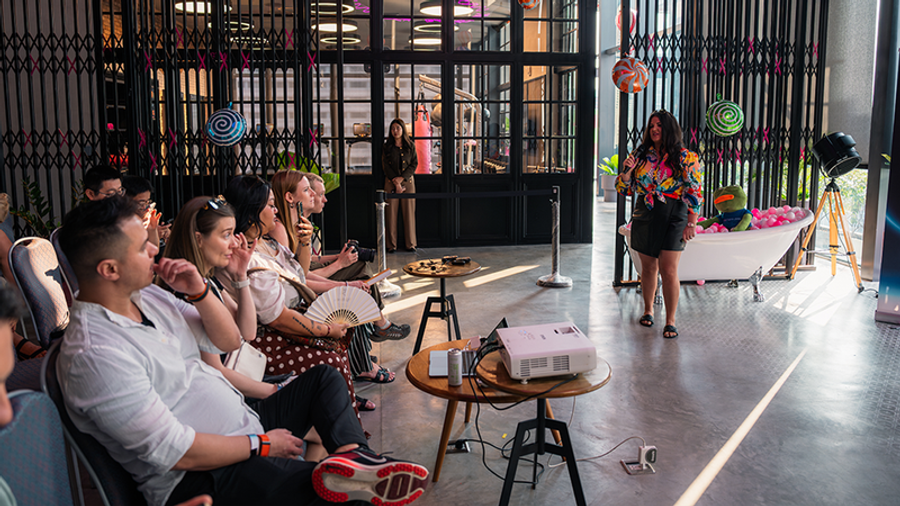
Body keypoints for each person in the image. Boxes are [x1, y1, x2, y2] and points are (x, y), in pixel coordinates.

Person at [55, 196, 429, 506]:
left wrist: (199, 291)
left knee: (324, 380)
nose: (156, 247)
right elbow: (177, 452)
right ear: (109, 269)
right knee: (329, 491)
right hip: (205, 476)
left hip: (244, 426)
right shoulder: (95, 354)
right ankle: (349, 481)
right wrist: (262, 445)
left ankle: (354, 459)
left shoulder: (149, 297)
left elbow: (231, 340)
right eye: (142, 247)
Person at [616, 110, 703, 339]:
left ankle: (671, 320)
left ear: (669, 128)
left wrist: (691, 223)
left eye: (660, 125)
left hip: (675, 215)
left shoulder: (685, 157)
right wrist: (626, 174)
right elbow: (625, 189)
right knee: (648, 268)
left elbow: (694, 189)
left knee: (669, 269)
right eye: (651, 125)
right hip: (646, 212)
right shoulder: (640, 155)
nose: (654, 129)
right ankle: (648, 310)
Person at [382, 118, 418, 253]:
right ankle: (391, 245)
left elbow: (414, 163)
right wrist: (395, 181)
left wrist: (402, 179)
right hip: (390, 183)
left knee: (409, 213)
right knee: (390, 214)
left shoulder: (410, 145)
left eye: (397, 128)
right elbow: (385, 165)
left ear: (403, 129)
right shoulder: (387, 147)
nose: (395, 131)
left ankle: (411, 244)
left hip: (408, 182)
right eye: (393, 129)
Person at [122, 175, 171, 250]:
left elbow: (153, 250)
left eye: (147, 202)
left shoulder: (145, 217)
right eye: (141, 203)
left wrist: (153, 230)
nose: (145, 207)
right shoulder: (120, 223)